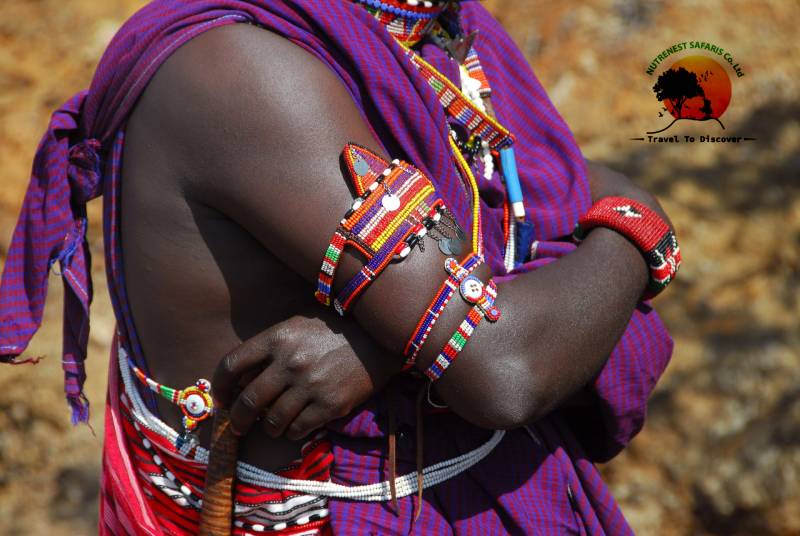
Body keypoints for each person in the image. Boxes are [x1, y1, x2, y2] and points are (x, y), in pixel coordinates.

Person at [0, 1, 679, 534]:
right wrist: (637, 226)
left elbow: (528, 203)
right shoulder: (241, 70)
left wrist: (381, 348)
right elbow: (505, 369)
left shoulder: (431, 29)